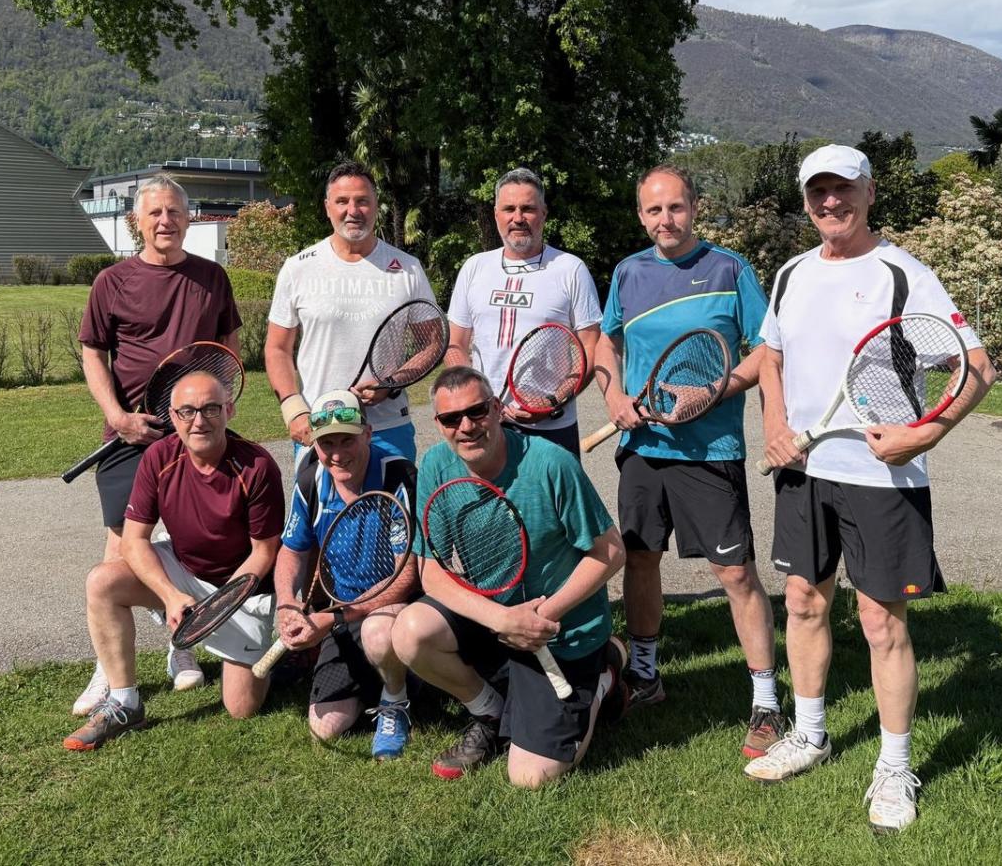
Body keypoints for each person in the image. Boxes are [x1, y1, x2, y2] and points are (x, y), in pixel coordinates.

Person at [744, 144, 995, 833]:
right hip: (804, 471)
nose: (832, 202)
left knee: (882, 622)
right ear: (805, 200)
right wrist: (773, 422)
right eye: (818, 191)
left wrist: (926, 434)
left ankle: (894, 765)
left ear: (870, 192)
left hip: (883, 478)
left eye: (844, 188)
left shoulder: (903, 274)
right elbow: (771, 357)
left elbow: (977, 367)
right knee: (803, 602)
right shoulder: (791, 272)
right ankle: (810, 733)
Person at [591, 164, 784, 760]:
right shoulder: (628, 272)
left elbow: (767, 350)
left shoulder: (730, 269)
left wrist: (715, 391)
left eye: (675, 207)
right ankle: (646, 675)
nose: (665, 220)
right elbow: (606, 342)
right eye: (654, 210)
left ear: (695, 207)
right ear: (640, 215)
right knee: (640, 560)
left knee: (735, 575)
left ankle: (766, 701)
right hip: (643, 450)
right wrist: (614, 397)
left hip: (710, 451)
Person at [391, 367, 627, 787]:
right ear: (439, 424)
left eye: (477, 411)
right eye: (451, 418)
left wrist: (541, 617)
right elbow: (431, 573)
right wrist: (502, 620)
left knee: (531, 776)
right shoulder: (436, 465)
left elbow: (610, 552)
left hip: (558, 631)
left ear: (497, 409)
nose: (467, 426)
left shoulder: (551, 463)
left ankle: (602, 678)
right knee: (410, 632)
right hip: (496, 620)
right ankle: (488, 710)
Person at [73, 173, 243, 715]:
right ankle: (108, 671)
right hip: (131, 438)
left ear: (189, 219)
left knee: (192, 544)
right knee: (122, 552)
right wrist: (118, 417)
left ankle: (182, 646)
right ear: (137, 221)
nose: (165, 221)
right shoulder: (112, 281)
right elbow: (93, 353)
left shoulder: (212, 278)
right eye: (155, 213)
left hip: (196, 434)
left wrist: (217, 406)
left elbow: (229, 345)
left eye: (174, 212)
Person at [63, 370, 283, 750]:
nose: (199, 421)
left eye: (211, 409)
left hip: (239, 591)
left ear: (229, 410)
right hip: (183, 571)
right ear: (173, 416)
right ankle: (125, 703)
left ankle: (282, 658)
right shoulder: (158, 457)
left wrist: (216, 607)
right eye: (187, 411)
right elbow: (134, 541)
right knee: (102, 581)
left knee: (242, 708)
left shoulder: (257, 466)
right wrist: (170, 595)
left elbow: (264, 552)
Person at [273, 391, 421, 760]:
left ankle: (395, 702)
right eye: (327, 443)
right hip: (343, 613)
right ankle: (394, 679)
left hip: (397, 607)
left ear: (367, 434)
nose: (337, 454)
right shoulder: (310, 479)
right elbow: (291, 550)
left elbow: (406, 576)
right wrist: (287, 603)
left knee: (378, 632)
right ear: (315, 444)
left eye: (347, 440)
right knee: (324, 726)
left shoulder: (398, 474)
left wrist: (332, 618)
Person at [266, 161, 437, 461]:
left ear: (376, 206)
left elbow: (433, 343)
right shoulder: (298, 268)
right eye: (342, 201)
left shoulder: (407, 268)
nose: (353, 210)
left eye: (362, 201)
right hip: (320, 426)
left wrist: (391, 383)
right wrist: (293, 410)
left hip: (388, 428)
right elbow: (277, 348)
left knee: (396, 494)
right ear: (327, 207)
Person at [444, 168, 602, 455]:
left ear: (543, 213)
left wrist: (552, 402)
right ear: (496, 215)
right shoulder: (475, 267)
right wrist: (473, 402)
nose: (518, 218)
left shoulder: (570, 269)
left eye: (527, 209)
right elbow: (455, 343)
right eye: (509, 209)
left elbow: (591, 348)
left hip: (551, 428)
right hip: (483, 425)